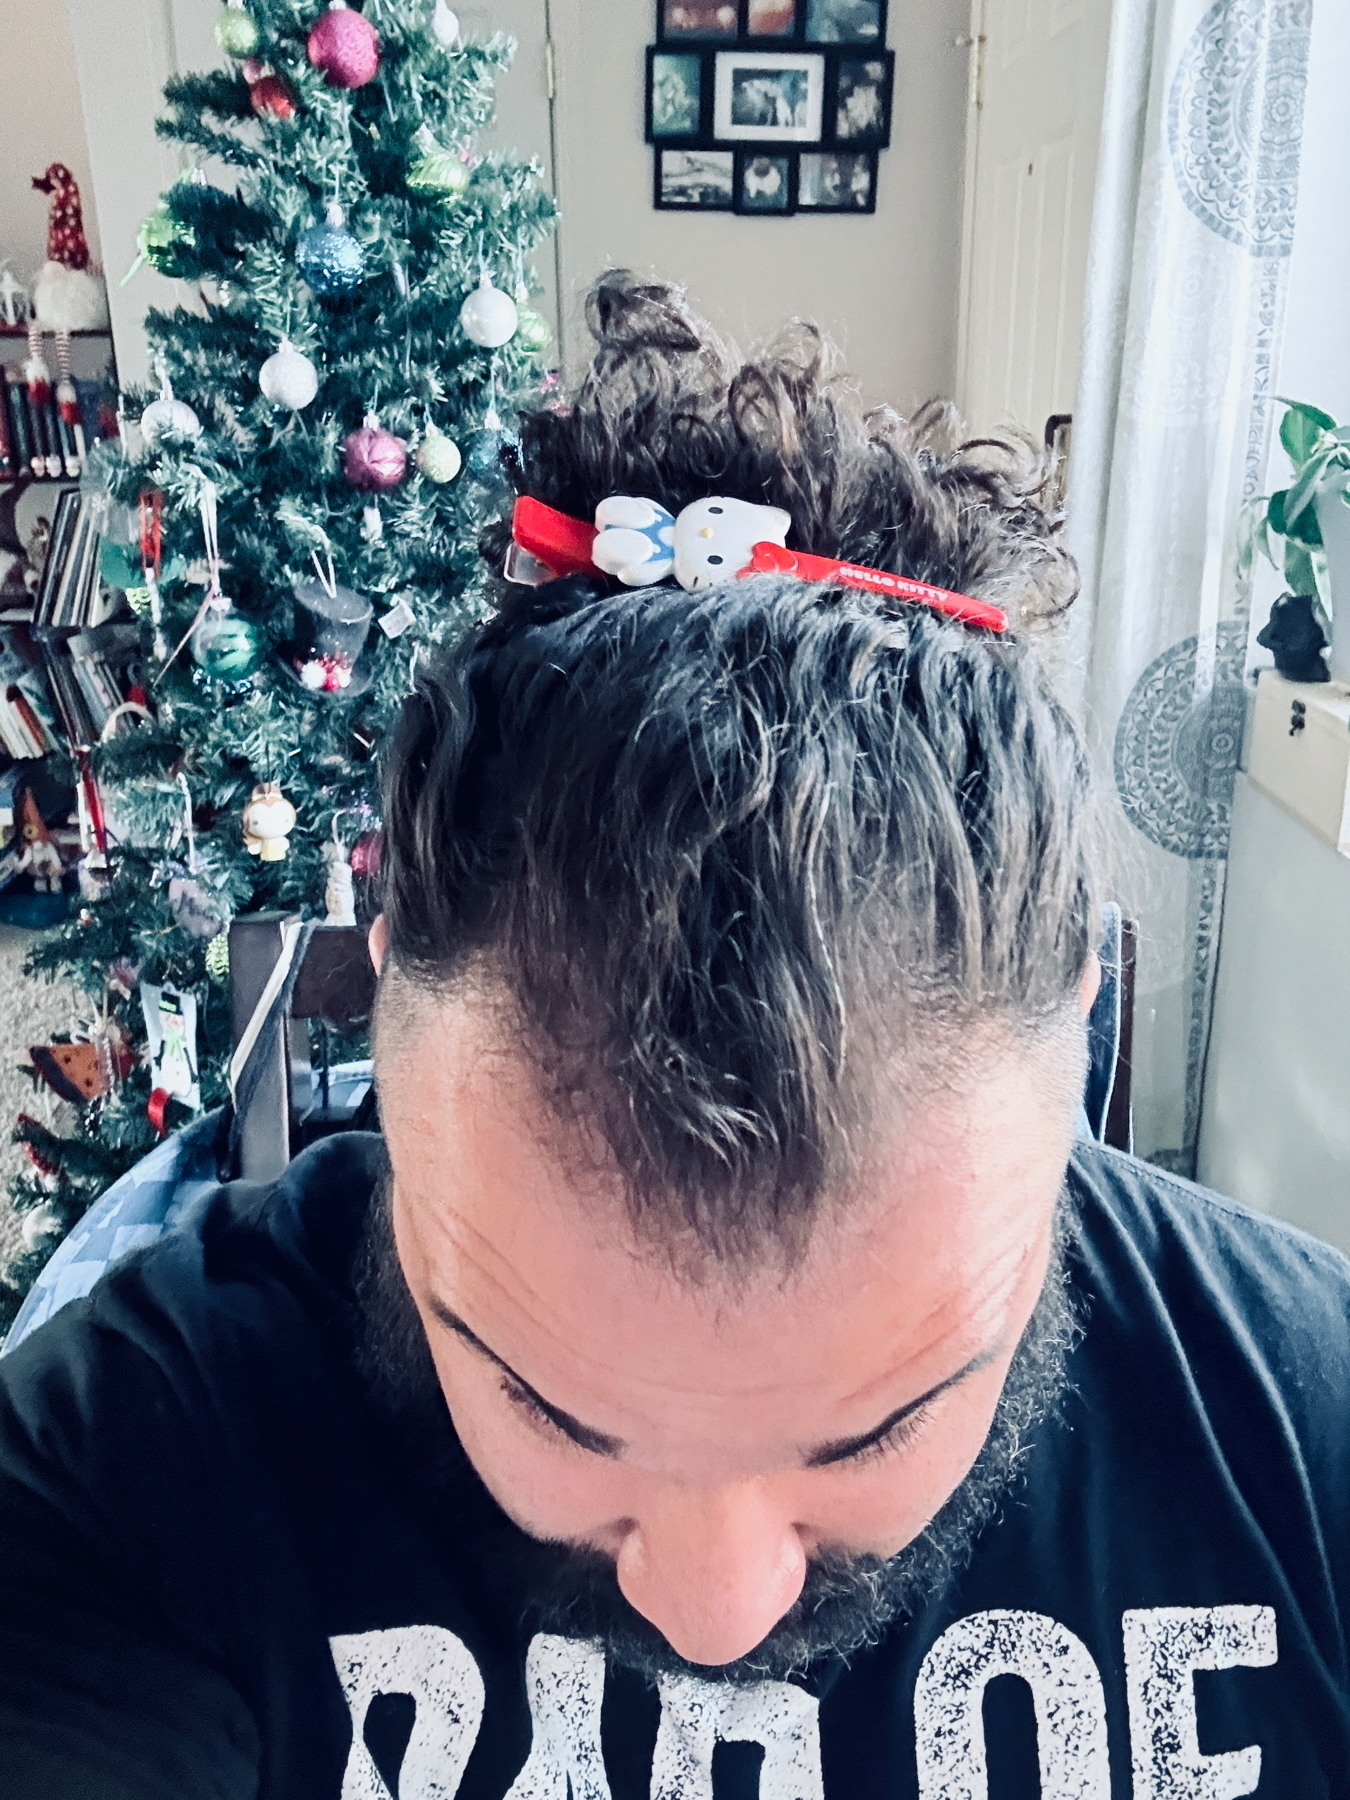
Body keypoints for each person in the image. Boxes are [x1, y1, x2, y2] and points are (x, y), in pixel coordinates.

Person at [2, 271, 1349, 1798]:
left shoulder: (1308, 1424)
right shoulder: (124, 1473)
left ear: (1078, 1044)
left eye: (869, 1441)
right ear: (385, 1018)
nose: (713, 1615)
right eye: (550, 1415)